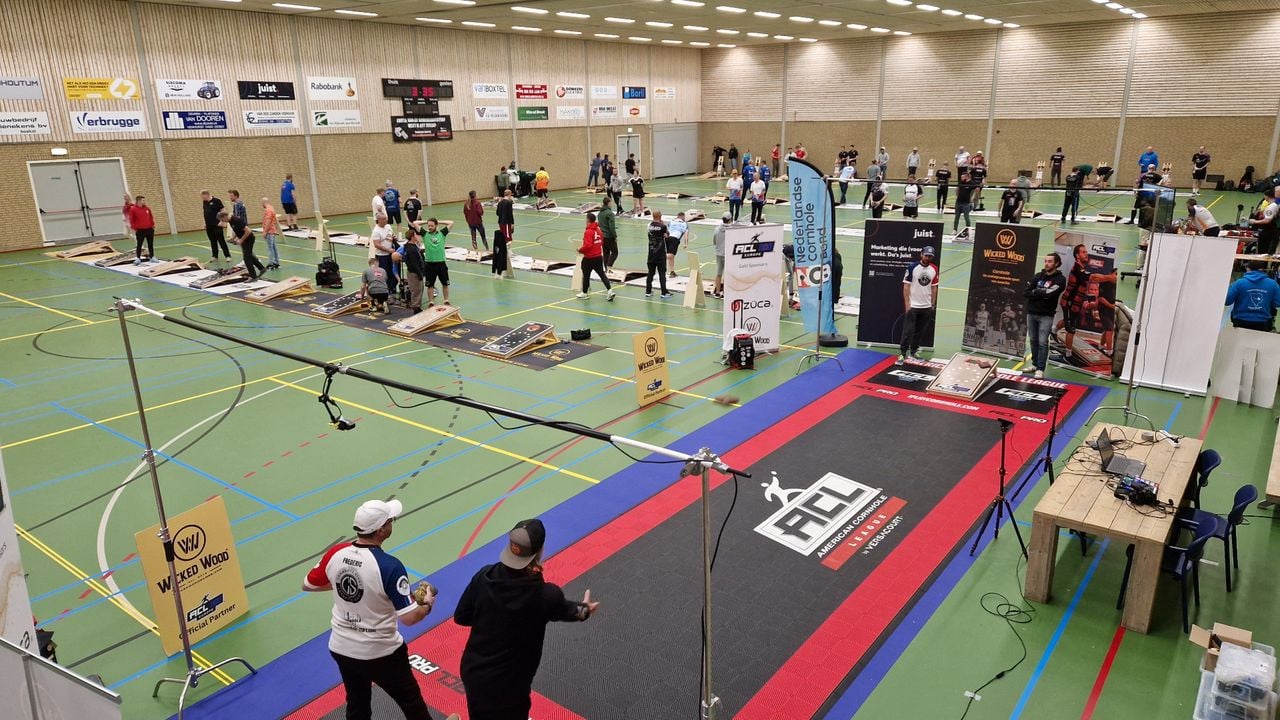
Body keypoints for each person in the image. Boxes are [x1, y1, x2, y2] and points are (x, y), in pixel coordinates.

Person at [302, 499, 451, 720]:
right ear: (381, 530)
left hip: (342, 648)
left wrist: (347, 584)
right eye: (390, 520)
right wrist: (427, 604)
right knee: (410, 701)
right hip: (381, 653)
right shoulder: (389, 566)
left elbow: (308, 584)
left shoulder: (336, 552)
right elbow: (409, 618)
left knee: (357, 703)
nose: (393, 522)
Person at [455, 519, 598, 720]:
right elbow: (569, 611)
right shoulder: (546, 596)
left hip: (475, 674)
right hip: (511, 685)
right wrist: (585, 610)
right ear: (539, 551)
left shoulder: (483, 577)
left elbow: (461, 617)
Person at [1024, 252, 1066, 378]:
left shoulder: (1060, 279)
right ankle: (1035, 364)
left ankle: (1040, 369)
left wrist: (1036, 291)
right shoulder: (1037, 276)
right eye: (1045, 261)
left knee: (1043, 342)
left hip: (1046, 315)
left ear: (1056, 263)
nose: (1047, 264)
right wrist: (1041, 293)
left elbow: (1050, 294)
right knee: (1033, 340)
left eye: (1050, 261)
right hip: (1031, 313)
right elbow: (1026, 292)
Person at [897, 246, 939, 364]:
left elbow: (934, 287)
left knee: (919, 331)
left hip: (926, 307)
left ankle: (914, 352)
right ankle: (902, 354)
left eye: (930, 256)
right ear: (921, 255)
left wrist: (932, 304)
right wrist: (907, 304)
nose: (927, 258)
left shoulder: (934, 268)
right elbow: (906, 286)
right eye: (926, 255)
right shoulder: (912, 267)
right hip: (913, 306)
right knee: (908, 331)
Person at [1059, 243, 1092, 358]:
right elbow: (1091, 278)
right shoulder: (1077, 269)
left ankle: (1053, 331)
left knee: (1066, 321)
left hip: (1074, 303)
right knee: (1071, 328)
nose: (1086, 254)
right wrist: (1108, 277)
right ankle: (1068, 353)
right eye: (1083, 252)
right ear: (1077, 256)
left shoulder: (1082, 268)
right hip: (1068, 302)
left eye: (1086, 252)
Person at [1225, 261, 1280, 331]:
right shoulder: (1273, 284)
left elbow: (1227, 301)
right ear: (1262, 269)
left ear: (1248, 268)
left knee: (1240, 341)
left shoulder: (1239, 283)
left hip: (1240, 321)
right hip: (1263, 322)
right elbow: (1278, 303)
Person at [576, 212, 615, 301]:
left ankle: (584, 293)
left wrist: (580, 250)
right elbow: (601, 241)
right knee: (602, 274)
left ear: (588, 220)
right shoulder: (598, 230)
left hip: (589, 258)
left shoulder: (588, 232)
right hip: (598, 257)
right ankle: (610, 291)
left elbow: (588, 246)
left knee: (586, 275)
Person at [219, 209, 265, 280]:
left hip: (249, 239)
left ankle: (253, 277)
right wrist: (233, 238)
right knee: (249, 255)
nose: (223, 222)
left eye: (222, 220)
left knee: (247, 258)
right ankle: (262, 268)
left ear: (225, 216)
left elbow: (248, 231)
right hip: (245, 240)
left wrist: (241, 240)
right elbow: (237, 230)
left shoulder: (236, 220)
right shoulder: (230, 221)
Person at [421, 218, 451, 306]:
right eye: (428, 225)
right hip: (429, 263)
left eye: (432, 225)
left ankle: (446, 300)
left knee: (445, 283)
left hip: (441, 262)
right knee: (430, 285)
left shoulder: (442, 233)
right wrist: (426, 221)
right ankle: (431, 302)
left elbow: (451, 223)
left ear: (436, 225)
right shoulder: (425, 234)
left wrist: (439, 221)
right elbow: (415, 223)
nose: (429, 227)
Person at [1245, 187, 1280, 255]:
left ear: (1266, 196)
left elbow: (1267, 220)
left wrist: (1254, 221)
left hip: (1269, 233)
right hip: (1270, 232)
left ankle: (1262, 264)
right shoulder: (1273, 204)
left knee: (1264, 252)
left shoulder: (1272, 206)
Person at [400, 224, 426, 313]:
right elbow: (414, 263)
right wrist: (419, 274)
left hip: (416, 271)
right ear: (412, 237)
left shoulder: (412, 246)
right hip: (414, 272)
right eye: (415, 235)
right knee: (416, 290)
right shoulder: (411, 249)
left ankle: (417, 306)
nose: (417, 236)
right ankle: (415, 307)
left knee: (420, 289)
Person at [645, 211, 671, 298]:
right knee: (662, 273)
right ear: (660, 216)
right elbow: (667, 235)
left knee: (650, 273)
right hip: (660, 254)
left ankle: (648, 291)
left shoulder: (649, 225)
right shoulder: (663, 226)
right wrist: (663, 224)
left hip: (651, 253)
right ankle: (664, 293)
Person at [124, 194, 156, 264]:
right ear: (139, 201)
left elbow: (151, 217)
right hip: (140, 230)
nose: (144, 201)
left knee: (150, 244)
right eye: (143, 200)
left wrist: (152, 225)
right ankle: (138, 258)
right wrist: (135, 228)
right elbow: (131, 219)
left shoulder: (147, 208)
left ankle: (152, 257)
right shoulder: (133, 209)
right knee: (139, 244)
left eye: (144, 200)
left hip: (149, 229)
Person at [201, 191, 231, 264]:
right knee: (212, 241)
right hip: (209, 225)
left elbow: (223, 210)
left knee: (221, 241)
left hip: (217, 225)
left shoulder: (217, 201)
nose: (202, 198)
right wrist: (205, 223)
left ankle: (227, 256)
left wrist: (222, 222)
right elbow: (205, 212)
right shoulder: (204, 202)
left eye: (203, 196)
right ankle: (215, 256)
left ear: (207, 194)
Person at [371, 215, 396, 286]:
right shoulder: (376, 231)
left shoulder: (388, 226)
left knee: (392, 272)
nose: (386, 220)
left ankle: (392, 288)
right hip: (382, 256)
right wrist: (388, 250)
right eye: (384, 219)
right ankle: (384, 288)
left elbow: (391, 235)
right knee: (383, 273)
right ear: (379, 220)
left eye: (386, 218)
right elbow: (377, 245)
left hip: (390, 254)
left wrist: (394, 237)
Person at [598, 196, 619, 269]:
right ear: (608, 203)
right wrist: (615, 236)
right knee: (615, 252)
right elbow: (611, 227)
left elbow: (600, 224)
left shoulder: (600, 213)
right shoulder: (610, 213)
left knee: (606, 253)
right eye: (611, 202)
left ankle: (605, 268)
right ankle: (609, 266)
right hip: (609, 236)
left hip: (602, 236)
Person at [260, 197, 281, 270]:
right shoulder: (272, 208)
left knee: (270, 248)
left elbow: (268, 221)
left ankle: (271, 262)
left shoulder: (268, 210)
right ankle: (276, 261)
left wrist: (265, 231)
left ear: (263, 203)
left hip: (269, 231)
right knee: (274, 247)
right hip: (272, 230)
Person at [713, 212, 729, 298]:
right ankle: (725, 293)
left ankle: (718, 292)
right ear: (729, 220)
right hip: (728, 254)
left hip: (718, 253)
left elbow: (714, 241)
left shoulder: (716, 229)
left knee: (718, 273)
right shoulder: (732, 230)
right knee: (727, 274)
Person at [667, 211, 688, 277]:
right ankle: (658, 258)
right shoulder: (685, 224)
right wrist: (685, 243)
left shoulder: (671, 221)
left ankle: (672, 271)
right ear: (683, 217)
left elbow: (666, 230)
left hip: (667, 238)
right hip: (675, 239)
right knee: (670, 255)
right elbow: (686, 235)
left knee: (672, 256)